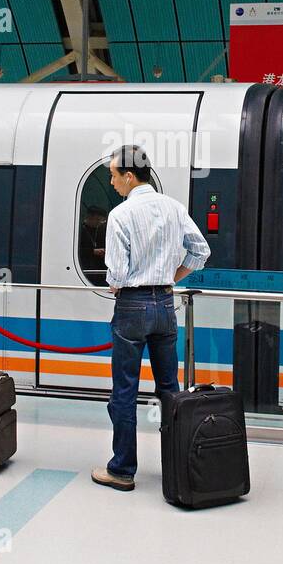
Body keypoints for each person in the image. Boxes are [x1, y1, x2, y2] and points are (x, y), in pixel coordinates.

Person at [91, 146, 210, 491]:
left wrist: (124, 282)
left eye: (113, 175)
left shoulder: (121, 214)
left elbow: (115, 276)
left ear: (129, 176)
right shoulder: (174, 207)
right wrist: (172, 275)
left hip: (132, 306)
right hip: (165, 303)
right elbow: (201, 250)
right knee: (170, 389)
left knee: (124, 391)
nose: (112, 182)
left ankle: (122, 470)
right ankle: (177, 464)